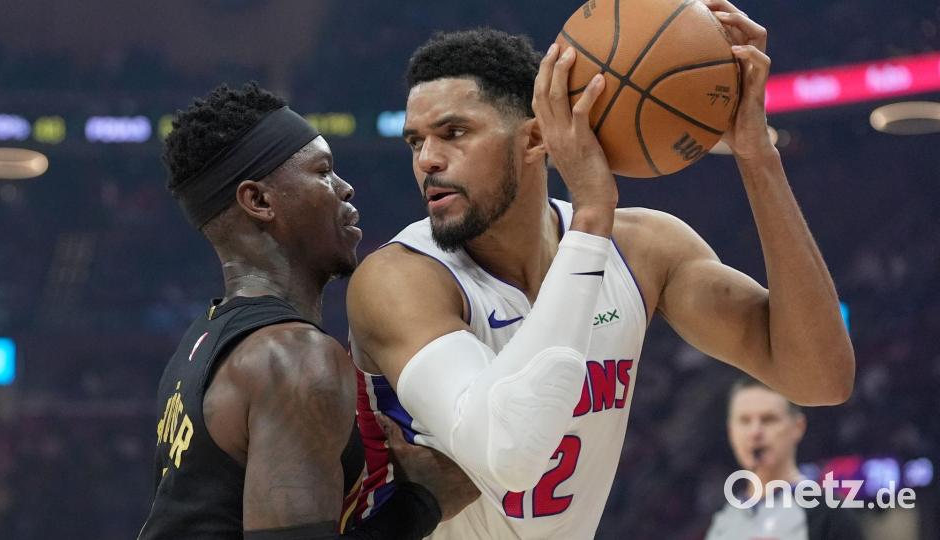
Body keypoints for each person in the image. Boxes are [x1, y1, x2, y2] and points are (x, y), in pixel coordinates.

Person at [346, 0, 855, 538]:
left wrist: (756, 154)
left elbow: (819, 378)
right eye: (416, 141)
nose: (426, 159)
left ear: (538, 138)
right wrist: (591, 213)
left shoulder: (645, 251)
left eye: (453, 132)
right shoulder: (401, 280)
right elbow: (508, 453)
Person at [137, 82, 477, 540]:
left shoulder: (201, 344)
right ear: (259, 201)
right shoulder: (293, 356)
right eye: (323, 172)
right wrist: (424, 501)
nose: (346, 187)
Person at [705, 376, 865, 540]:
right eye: (744, 421)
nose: (755, 432)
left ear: (798, 427)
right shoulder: (723, 520)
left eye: (768, 420)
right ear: (731, 431)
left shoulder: (829, 513)